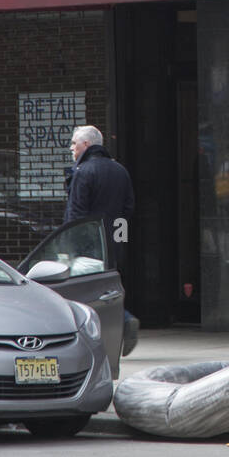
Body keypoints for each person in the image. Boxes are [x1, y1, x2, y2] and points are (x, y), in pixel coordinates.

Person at [66, 125, 138, 356]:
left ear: (86, 145)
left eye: (74, 143)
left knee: (82, 290)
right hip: (114, 243)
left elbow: (75, 215)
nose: (72, 148)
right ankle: (123, 319)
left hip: (88, 245)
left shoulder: (83, 172)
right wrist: (120, 241)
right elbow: (128, 208)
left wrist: (71, 245)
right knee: (109, 288)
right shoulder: (120, 170)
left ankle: (119, 322)